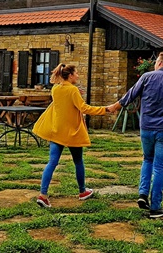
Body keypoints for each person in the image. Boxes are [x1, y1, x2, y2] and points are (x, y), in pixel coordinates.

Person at [107, 51, 163, 219]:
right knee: (159, 166)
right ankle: (155, 207)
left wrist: (115, 107)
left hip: (146, 128)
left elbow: (131, 94)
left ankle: (142, 194)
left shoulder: (146, 77)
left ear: (159, 62)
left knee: (147, 159)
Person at [32, 63, 115, 208]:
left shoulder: (56, 88)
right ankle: (82, 191)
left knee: (52, 162)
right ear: (70, 75)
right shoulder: (73, 90)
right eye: (76, 73)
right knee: (78, 162)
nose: (78, 76)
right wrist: (105, 109)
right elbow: (84, 108)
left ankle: (43, 195)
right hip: (72, 132)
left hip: (57, 131)